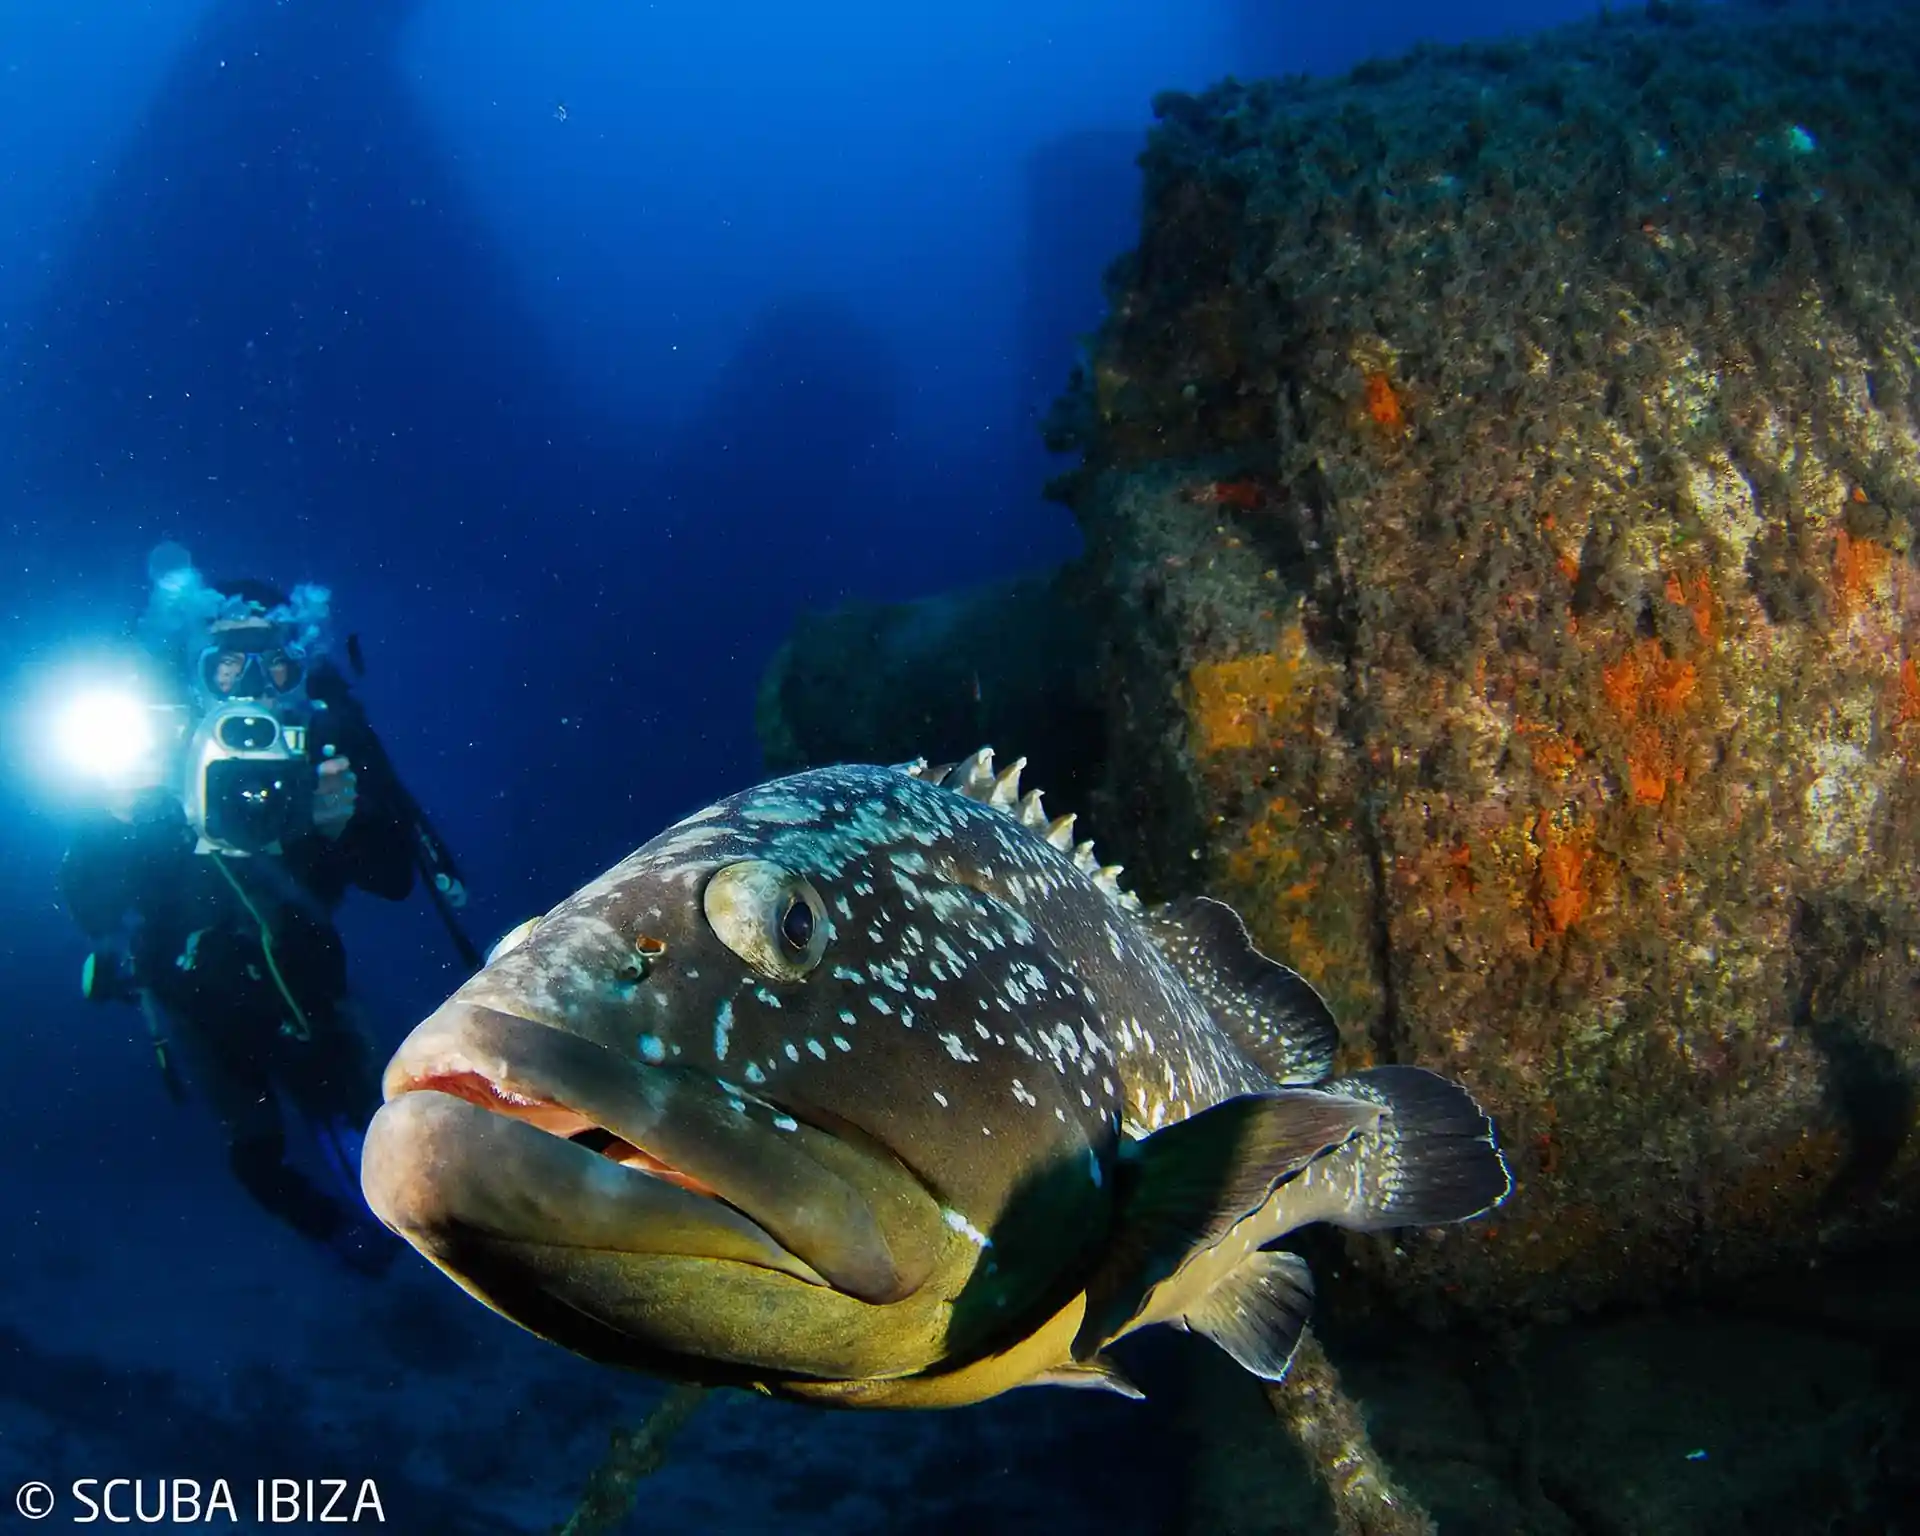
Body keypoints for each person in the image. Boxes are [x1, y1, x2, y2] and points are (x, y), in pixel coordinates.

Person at [59, 564, 417, 1277]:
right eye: (226, 662)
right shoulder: (154, 760)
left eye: (278, 663)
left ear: (302, 668)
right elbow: (91, 907)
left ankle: (421, 1233)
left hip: (314, 984)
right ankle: (342, 1237)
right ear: (194, 670)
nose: (251, 682)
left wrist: (342, 823)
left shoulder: (327, 748)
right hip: (192, 1000)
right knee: (256, 1151)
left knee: (390, 1126)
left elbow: (397, 879)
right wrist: (119, 814)